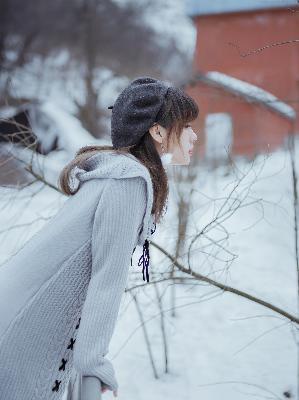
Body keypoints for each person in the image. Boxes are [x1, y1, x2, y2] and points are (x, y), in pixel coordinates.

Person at [0, 76, 199, 400]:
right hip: (22, 333)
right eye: (186, 125)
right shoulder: (128, 181)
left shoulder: (115, 173)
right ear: (157, 130)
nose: (193, 135)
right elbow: (107, 279)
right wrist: (93, 362)